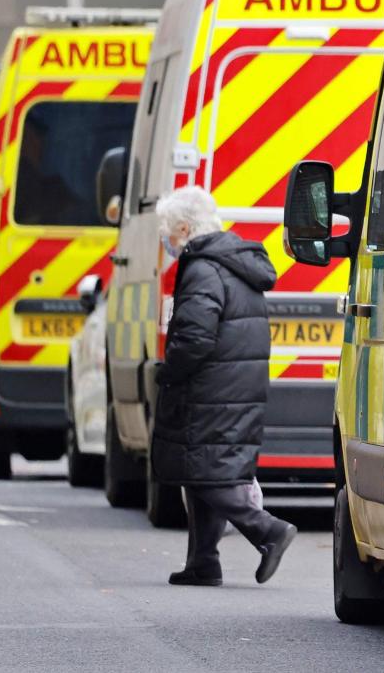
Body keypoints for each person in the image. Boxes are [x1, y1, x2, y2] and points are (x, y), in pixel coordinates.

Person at [153, 186, 297, 587]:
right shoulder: (231, 263)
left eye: (169, 233)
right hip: (234, 384)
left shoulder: (202, 268)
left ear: (184, 227)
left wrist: (168, 371)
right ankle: (203, 562)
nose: (168, 242)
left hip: (210, 387)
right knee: (201, 469)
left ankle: (267, 531)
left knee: (206, 475)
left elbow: (195, 337)